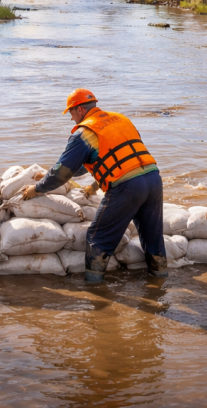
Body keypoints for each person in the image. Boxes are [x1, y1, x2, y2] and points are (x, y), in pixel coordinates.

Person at [21, 89, 166, 283]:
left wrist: (35, 189)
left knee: (97, 239)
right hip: (154, 179)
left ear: (80, 110)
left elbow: (61, 174)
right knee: (153, 237)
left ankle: (95, 291)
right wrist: (96, 185)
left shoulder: (84, 133)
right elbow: (120, 157)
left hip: (126, 188)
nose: (72, 119)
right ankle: (160, 282)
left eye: (71, 113)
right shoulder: (120, 120)